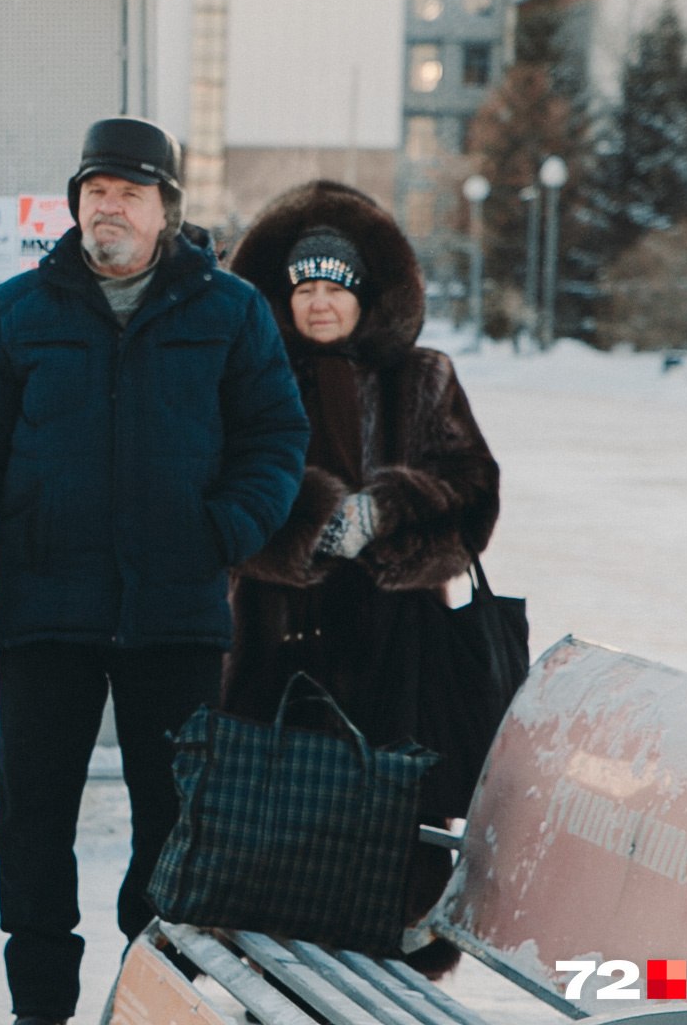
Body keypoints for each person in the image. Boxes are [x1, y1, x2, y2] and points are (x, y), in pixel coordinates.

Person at [0, 117, 310, 1025]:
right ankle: (39, 1007)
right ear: (76, 204)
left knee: (175, 825)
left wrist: (222, 531)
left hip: (176, 612)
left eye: (130, 193)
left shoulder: (230, 312)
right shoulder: (17, 311)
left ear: (166, 209)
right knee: (32, 822)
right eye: (96, 191)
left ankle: (151, 993)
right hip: (45, 609)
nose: (109, 207)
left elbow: (276, 437)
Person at [221, 180, 499, 961]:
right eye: (304, 287)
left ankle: (386, 980)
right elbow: (221, 496)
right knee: (280, 839)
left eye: (335, 287)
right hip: (280, 640)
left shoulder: (424, 377)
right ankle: (278, 987)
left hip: (399, 641)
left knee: (395, 841)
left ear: (366, 295)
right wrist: (308, 532)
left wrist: (386, 517)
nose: (319, 303)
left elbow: (473, 493)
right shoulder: (249, 376)